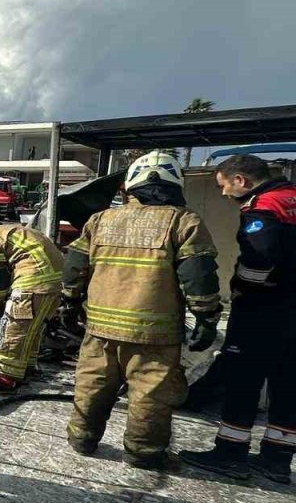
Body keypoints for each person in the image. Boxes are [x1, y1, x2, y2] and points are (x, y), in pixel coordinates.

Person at [61, 151, 221, 470]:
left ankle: (82, 437)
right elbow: (198, 275)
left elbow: (75, 265)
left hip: (101, 327)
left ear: (130, 186)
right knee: (151, 392)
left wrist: (69, 301)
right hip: (155, 333)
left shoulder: (101, 220)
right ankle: (143, 452)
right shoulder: (183, 221)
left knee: (93, 381)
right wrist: (206, 317)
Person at [181, 154, 296, 484]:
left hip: (263, 311)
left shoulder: (263, 207)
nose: (223, 193)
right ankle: (277, 460)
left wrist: (243, 289)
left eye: (223, 185)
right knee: (287, 384)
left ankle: (230, 453)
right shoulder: (291, 198)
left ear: (240, 180)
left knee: (243, 379)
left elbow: (259, 259)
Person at [0, 219, 64, 393]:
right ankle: (26, 370)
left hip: (33, 282)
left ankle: (3, 380)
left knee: (16, 329)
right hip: (55, 283)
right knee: (32, 330)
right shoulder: (11, 230)